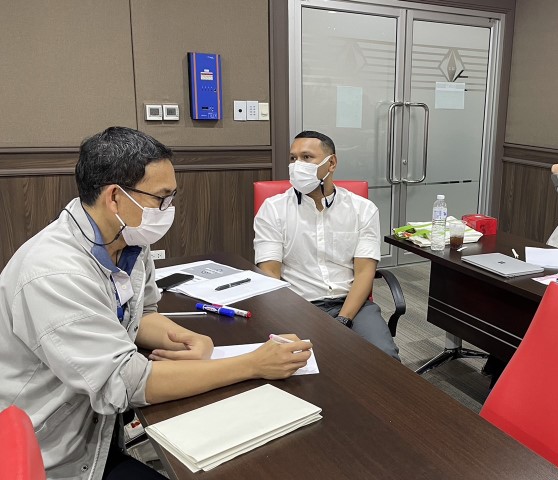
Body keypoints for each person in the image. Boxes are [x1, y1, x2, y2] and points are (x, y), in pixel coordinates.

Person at [0, 127, 312, 480]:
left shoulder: (127, 238)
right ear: (115, 197)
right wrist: (253, 364)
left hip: (98, 429)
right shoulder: (54, 273)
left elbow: (141, 314)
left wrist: (188, 338)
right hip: (48, 455)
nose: (168, 209)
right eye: (161, 198)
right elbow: (124, 384)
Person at [254, 130, 400, 360]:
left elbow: (364, 272)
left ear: (331, 163)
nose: (297, 165)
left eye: (306, 157)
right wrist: (287, 315)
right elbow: (270, 272)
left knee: (384, 358)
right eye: (293, 158)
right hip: (299, 304)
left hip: (352, 303)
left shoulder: (362, 209)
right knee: (305, 364)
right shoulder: (273, 209)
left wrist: (344, 319)